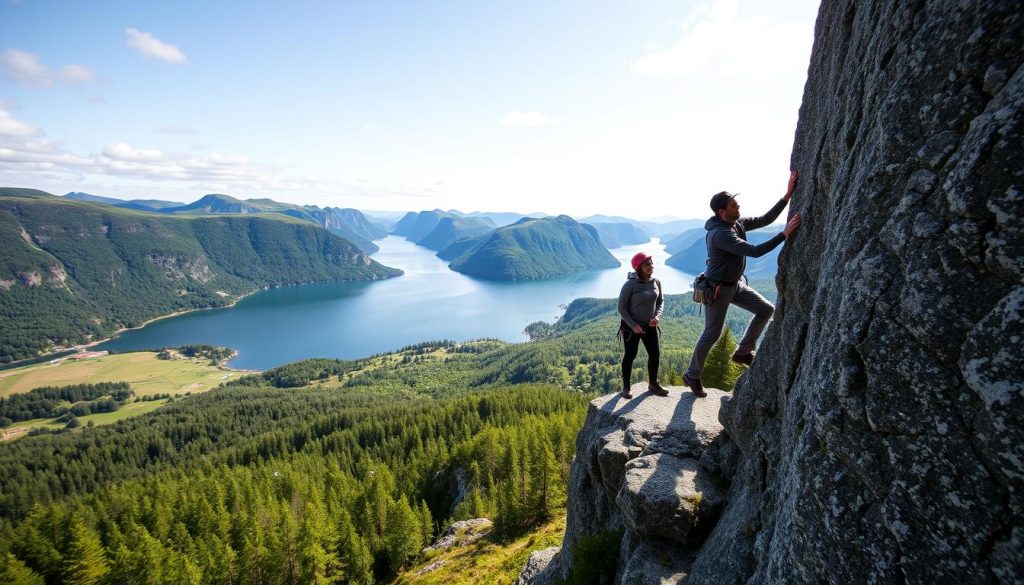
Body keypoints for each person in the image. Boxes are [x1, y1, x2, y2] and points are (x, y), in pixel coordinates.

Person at [683, 171, 803, 397]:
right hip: (717, 289)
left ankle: (743, 352)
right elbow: (755, 251)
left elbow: (765, 220)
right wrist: (784, 235)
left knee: (766, 309)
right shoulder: (720, 235)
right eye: (734, 205)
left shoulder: (735, 223)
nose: (739, 207)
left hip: (734, 285)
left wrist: (787, 196)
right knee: (711, 333)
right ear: (722, 211)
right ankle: (692, 375)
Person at [618, 252, 668, 399]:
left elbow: (660, 301)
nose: (651, 266)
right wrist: (633, 325)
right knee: (630, 355)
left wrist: (657, 317)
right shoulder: (630, 285)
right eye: (647, 264)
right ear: (638, 267)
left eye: (651, 263)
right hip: (630, 327)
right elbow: (621, 308)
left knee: (655, 354)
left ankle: (653, 383)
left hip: (650, 326)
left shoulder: (656, 282)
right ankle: (626, 387)